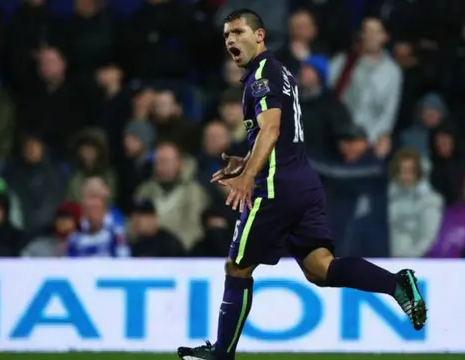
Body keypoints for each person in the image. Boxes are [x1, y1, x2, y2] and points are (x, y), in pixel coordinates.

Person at [177, 9, 426, 360]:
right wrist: (245, 161)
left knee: (237, 267)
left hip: (275, 188)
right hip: (302, 182)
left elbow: (272, 129)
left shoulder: (262, 75)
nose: (231, 40)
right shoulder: (280, 73)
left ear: (260, 35)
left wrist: (248, 177)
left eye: (237, 31)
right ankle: (397, 284)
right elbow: (279, 138)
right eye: (226, 35)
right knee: (320, 268)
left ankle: (223, 352)